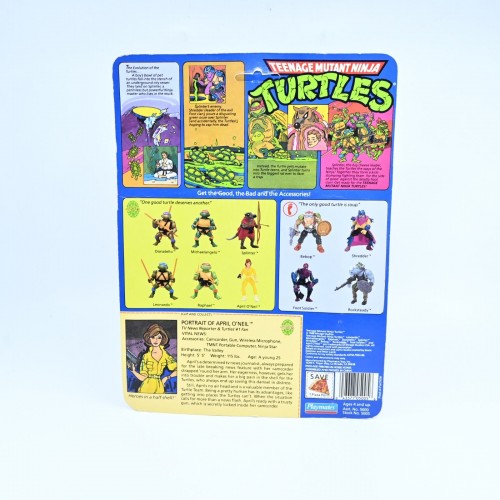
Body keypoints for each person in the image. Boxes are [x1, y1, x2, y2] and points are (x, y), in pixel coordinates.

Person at [128, 324, 177, 394]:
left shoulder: (166, 355)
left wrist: (167, 377)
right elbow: (143, 377)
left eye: (159, 337)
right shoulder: (146, 356)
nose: (156, 340)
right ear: (149, 338)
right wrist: (133, 371)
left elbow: (179, 370)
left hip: (160, 387)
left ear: (162, 339)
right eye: (153, 337)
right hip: (146, 387)